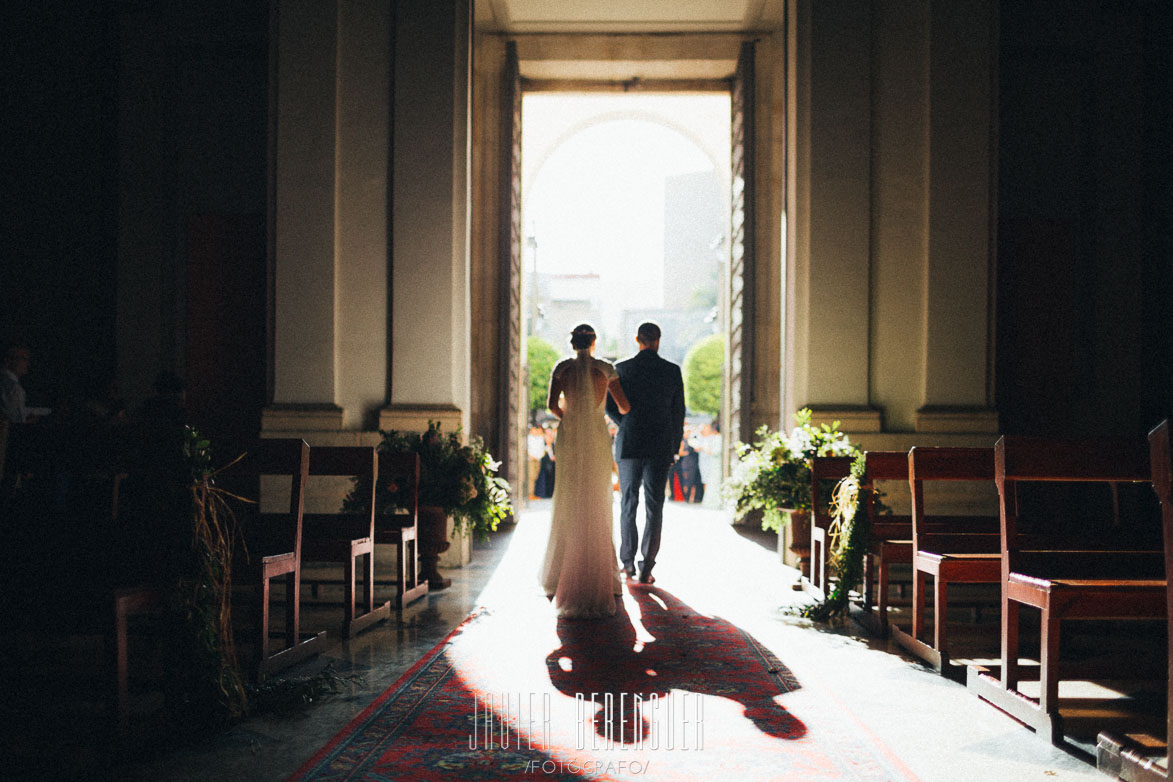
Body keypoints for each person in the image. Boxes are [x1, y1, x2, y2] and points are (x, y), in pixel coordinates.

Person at [539, 323, 631, 618]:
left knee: (567, 495)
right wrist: (596, 413)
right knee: (597, 499)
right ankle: (603, 573)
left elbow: (552, 405)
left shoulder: (562, 368)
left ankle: (558, 573)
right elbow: (625, 407)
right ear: (594, 341)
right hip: (594, 433)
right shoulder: (606, 369)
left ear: (572, 342)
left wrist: (572, 416)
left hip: (570, 433)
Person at [605, 322, 686, 585]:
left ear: (636, 339)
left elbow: (610, 406)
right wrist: (674, 446)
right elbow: (678, 412)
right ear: (658, 340)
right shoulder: (672, 371)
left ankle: (627, 563)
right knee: (655, 506)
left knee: (628, 504)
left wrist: (625, 423)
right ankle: (646, 567)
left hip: (629, 444)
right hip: (660, 445)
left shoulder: (622, 369)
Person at [1, 344, 32, 424]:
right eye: (23, 359)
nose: (28, 364)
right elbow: (17, 423)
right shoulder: (13, 388)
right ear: (8, 360)